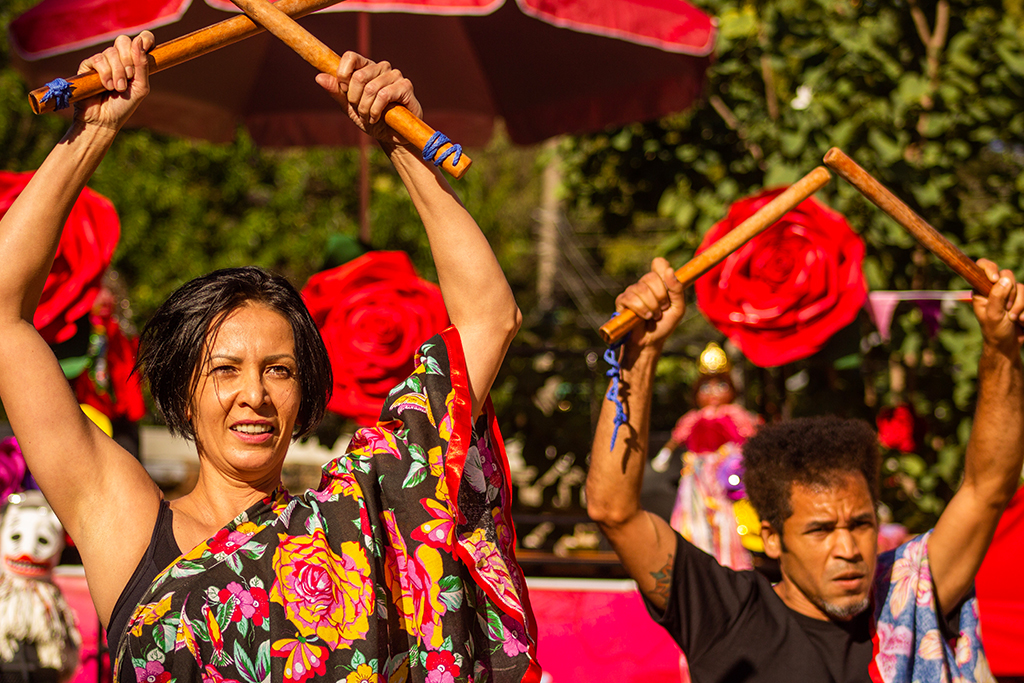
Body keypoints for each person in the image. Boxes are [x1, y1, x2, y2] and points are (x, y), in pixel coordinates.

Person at [0, 32, 538, 683]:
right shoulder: (124, 516)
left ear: (306, 388)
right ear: (181, 390)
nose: (254, 393)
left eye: (278, 369)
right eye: (225, 369)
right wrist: (94, 131)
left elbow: (489, 318)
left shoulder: (359, 517)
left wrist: (402, 143)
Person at [586, 257, 1024, 682]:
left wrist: (1001, 347)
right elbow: (614, 510)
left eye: (860, 524)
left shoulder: (907, 593)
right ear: (773, 538)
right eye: (820, 529)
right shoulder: (725, 612)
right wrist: (639, 357)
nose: (848, 548)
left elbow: (987, 487)